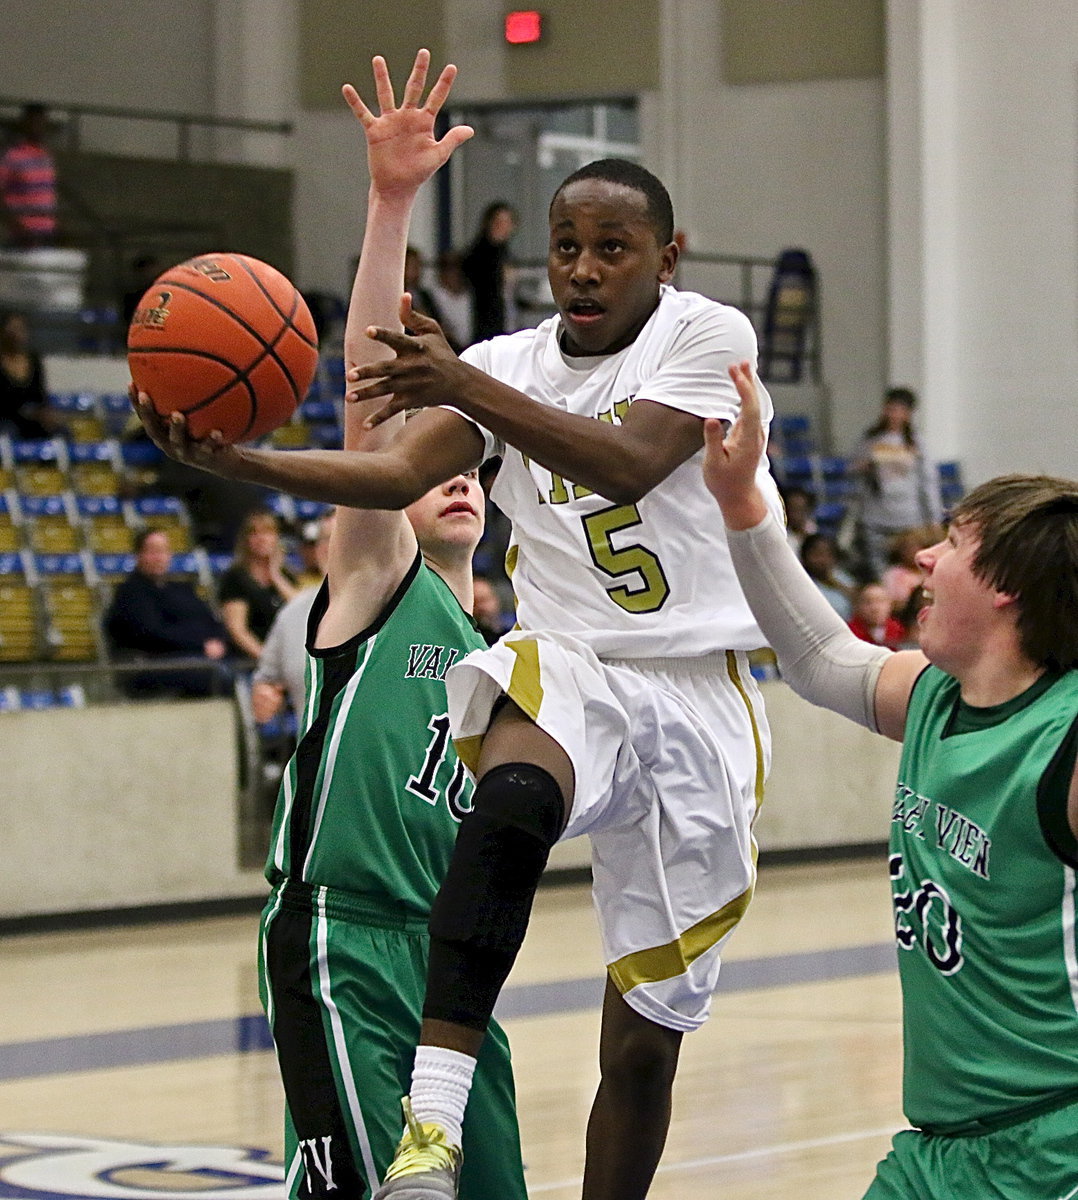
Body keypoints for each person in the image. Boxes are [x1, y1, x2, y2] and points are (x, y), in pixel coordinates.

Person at [132, 50, 783, 1200]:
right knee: (515, 788)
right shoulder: (496, 375)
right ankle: (426, 1128)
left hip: (698, 693)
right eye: (564, 246)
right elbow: (383, 467)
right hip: (569, 673)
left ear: (666, 260)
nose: (581, 268)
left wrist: (465, 390)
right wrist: (238, 460)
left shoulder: (703, 334)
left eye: (611, 248)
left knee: (641, 1045)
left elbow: (627, 466)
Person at [136, 54, 526, 1200]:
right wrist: (391, 203)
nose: (453, 474)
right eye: (426, 462)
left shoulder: (500, 643)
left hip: (455, 977)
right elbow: (369, 408)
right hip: (344, 941)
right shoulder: (379, 580)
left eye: (467, 461)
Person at [704, 361, 1078, 1200]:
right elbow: (815, 656)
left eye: (953, 542)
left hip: (1055, 1149)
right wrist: (744, 509)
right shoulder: (934, 697)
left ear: (1008, 586)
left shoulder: (1065, 740)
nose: (926, 555)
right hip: (936, 1150)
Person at [104, 527, 231, 698]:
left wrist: (219, 641)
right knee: (219, 676)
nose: (159, 557)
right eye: (153, 551)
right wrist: (200, 645)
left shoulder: (182, 589)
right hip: (150, 665)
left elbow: (212, 621)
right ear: (138, 555)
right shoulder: (131, 593)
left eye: (163, 551)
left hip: (196, 657)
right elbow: (152, 634)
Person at [251, 513, 334, 724]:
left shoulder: (393, 608)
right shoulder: (292, 613)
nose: (330, 546)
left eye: (342, 537)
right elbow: (266, 678)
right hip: (314, 753)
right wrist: (264, 694)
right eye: (324, 538)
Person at [853, 386, 942, 580]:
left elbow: (928, 481)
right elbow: (854, 469)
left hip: (908, 518)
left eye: (899, 409)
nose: (893, 414)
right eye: (890, 408)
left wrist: (933, 517)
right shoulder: (870, 438)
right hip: (876, 516)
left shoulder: (916, 442)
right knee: (879, 572)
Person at [216, 507, 297, 660]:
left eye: (267, 532)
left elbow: (302, 612)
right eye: (254, 533)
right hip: (249, 661)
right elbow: (237, 630)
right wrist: (268, 662)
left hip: (286, 658)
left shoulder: (286, 575)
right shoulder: (235, 578)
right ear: (245, 540)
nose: (261, 538)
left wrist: (276, 576)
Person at [0, 103, 58, 248]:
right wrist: (16, 226)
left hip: (46, 232)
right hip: (23, 234)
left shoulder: (45, 156)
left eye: (41, 123)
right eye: (34, 123)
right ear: (25, 124)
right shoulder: (13, 156)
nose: (37, 128)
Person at [461, 200, 517, 343]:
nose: (504, 228)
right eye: (499, 222)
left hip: (503, 320)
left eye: (508, 223)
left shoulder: (505, 254)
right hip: (484, 323)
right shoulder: (479, 256)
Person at [0, 307, 57, 438]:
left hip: (33, 418)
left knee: (60, 431)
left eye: (20, 329)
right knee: (8, 433)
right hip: (7, 418)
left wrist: (45, 412)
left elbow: (41, 394)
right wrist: (25, 412)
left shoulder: (34, 360)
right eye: (12, 329)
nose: (16, 334)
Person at [800, 530, 856, 620]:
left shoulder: (844, 579)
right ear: (804, 557)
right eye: (817, 554)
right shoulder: (800, 584)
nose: (823, 560)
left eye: (828, 554)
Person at [427, 249, 473, 353]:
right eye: (448, 267)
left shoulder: (471, 295)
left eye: (457, 267)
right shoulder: (432, 295)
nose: (453, 273)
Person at [848, 581, 906, 651]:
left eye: (880, 601)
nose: (875, 608)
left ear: (890, 604)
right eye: (868, 602)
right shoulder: (848, 633)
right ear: (857, 606)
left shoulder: (901, 631)